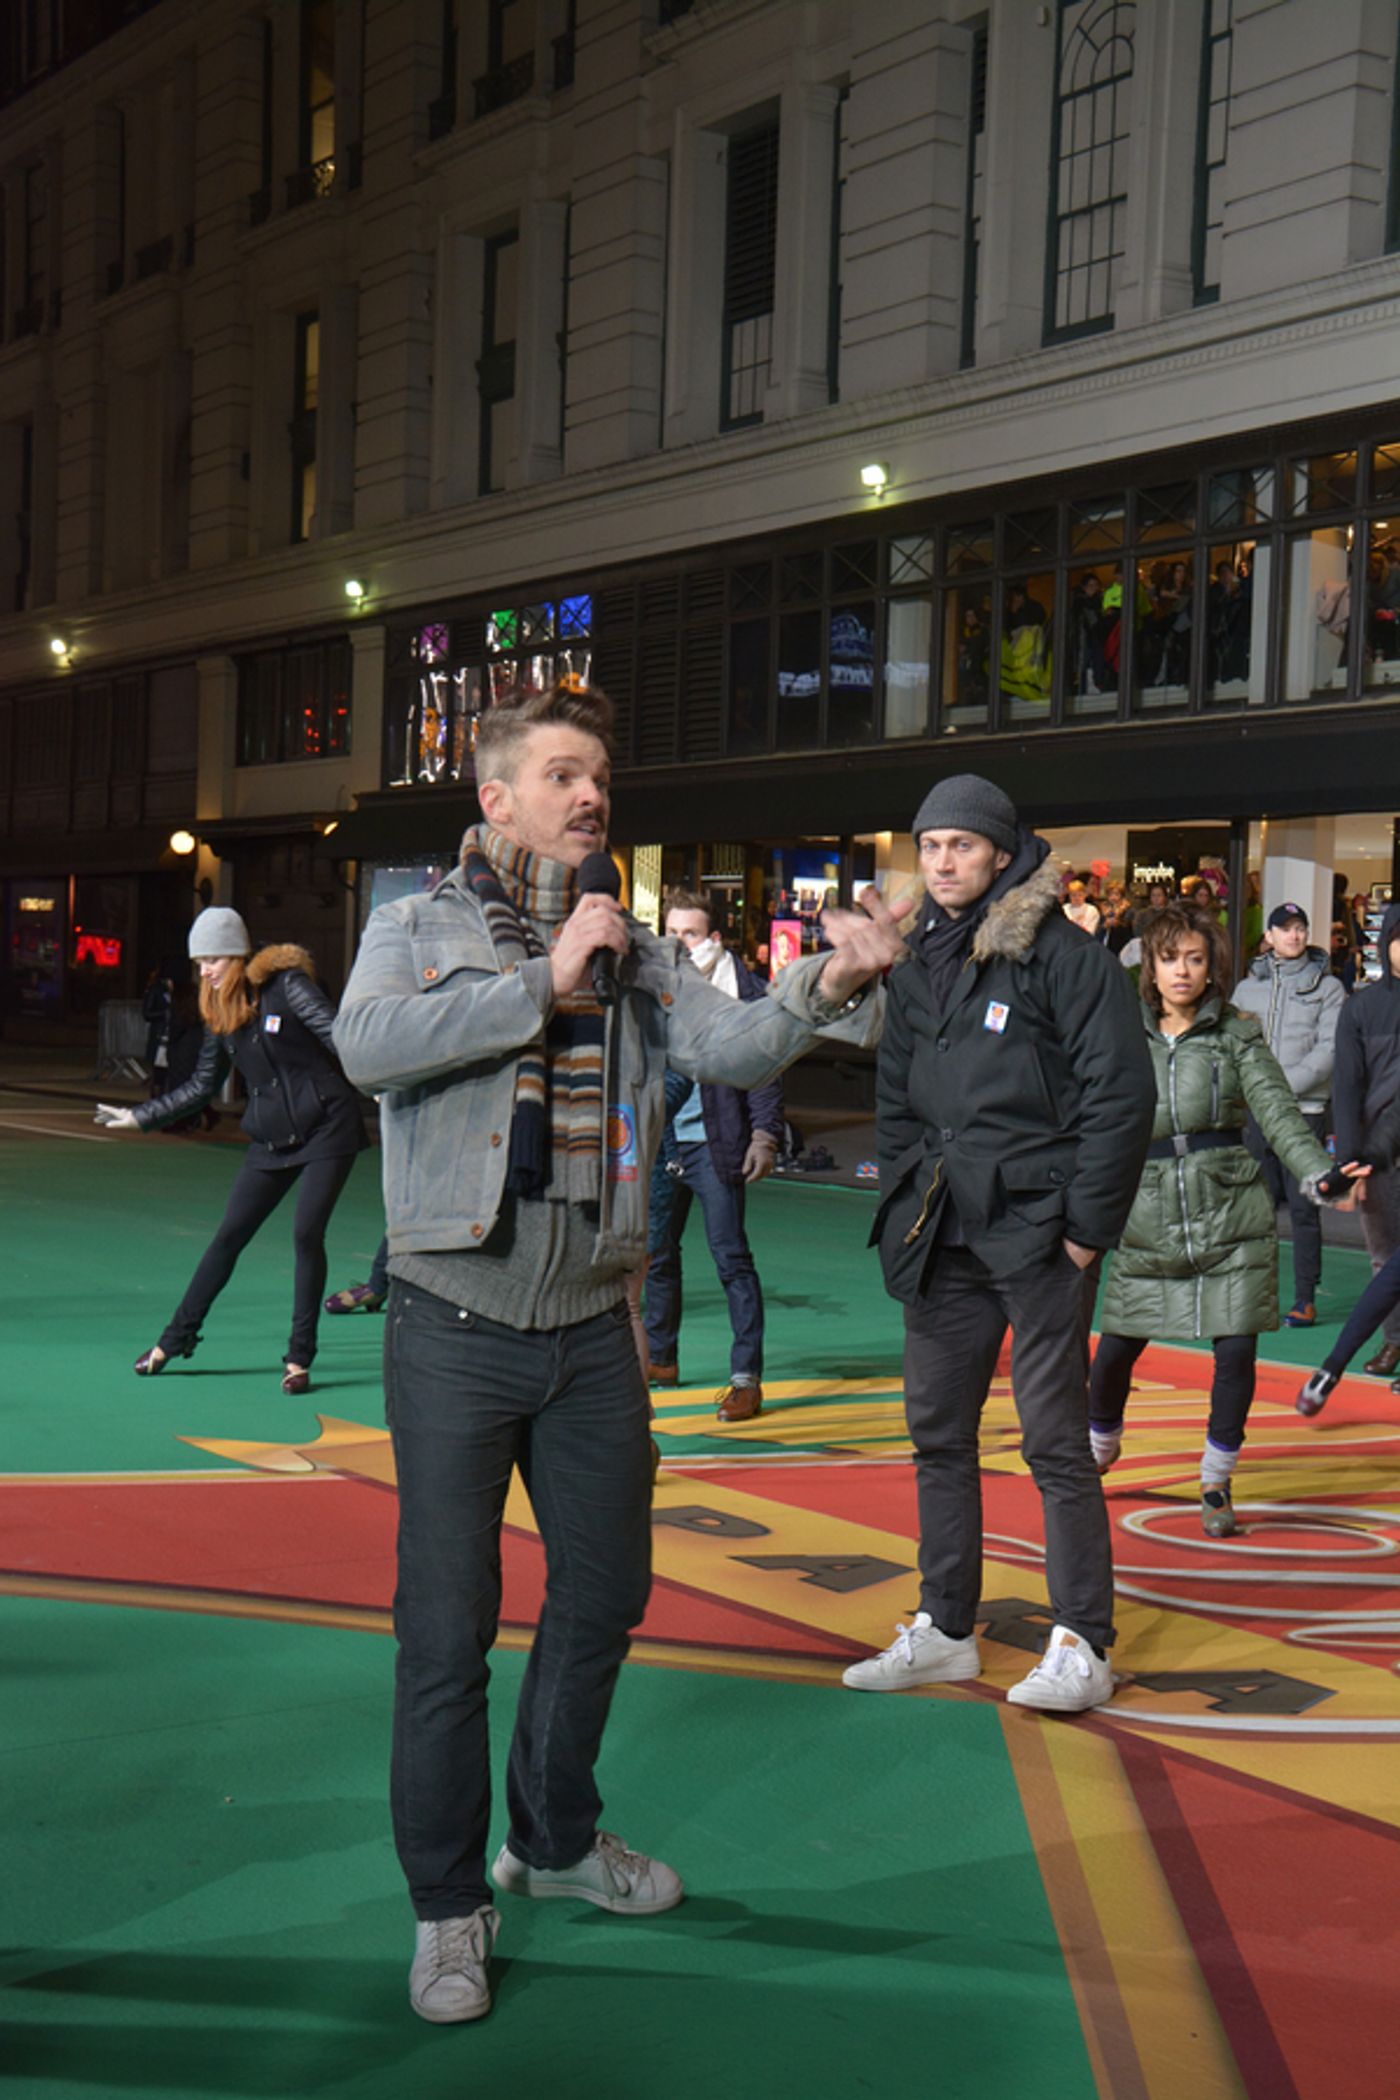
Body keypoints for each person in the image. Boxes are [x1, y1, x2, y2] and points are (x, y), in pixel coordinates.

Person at [330, 679, 901, 2025]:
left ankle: (555, 1838)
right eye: (566, 773)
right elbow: (368, 1050)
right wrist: (540, 983)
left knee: (605, 1595)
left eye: (601, 775)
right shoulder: (412, 924)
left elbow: (734, 1040)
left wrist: (834, 979)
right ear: (498, 796)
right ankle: (445, 1906)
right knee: (445, 1633)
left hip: (592, 1321)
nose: (592, 795)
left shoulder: (636, 949)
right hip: (453, 1320)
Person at [843, 773, 1155, 1713]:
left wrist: (1086, 1234)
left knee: (1055, 1443)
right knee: (937, 1435)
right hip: (942, 1234)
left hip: (1038, 1234)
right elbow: (896, 1100)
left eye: (961, 846)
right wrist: (905, 1203)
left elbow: (1121, 1097)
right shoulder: (919, 959)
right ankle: (945, 1629)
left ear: (1004, 852)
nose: (942, 862)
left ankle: (1084, 1643)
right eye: (929, 846)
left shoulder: (1063, 956)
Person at [1088, 905, 1337, 1537]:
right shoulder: (1122, 1032)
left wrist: (1316, 1171)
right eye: (1170, 958)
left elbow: (1278, 1111)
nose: (1182, 971)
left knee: (1236, 1351)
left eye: (1196, 959)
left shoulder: (1237, 1033)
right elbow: (1087, 1114)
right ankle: (1098, 1442)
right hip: (1145, 1210)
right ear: (1149, 963)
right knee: (1114, 1350)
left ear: (1212, 967)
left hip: (1231, 1208)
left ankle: (1215, 1480)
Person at [95, 910, 368, 1394]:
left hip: (328, 1126)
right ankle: (174, 1340)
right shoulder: (219, 1010)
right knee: (228, 1237)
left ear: (240, 955)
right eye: (199, 961)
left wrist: (388, 1085)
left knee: (307, 1233)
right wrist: (143, 1116)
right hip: (270, 1137)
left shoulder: (288, 987)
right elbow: (203, 1084)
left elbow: (343, 1038)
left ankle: (298, 1358)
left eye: (214, 958)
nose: (205, 971)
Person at [642, 889, 782, 1422]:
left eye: (690, 934)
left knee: (731, 1259)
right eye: (671, 933)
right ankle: (660, 1357)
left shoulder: (745, 994)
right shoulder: (654, 988)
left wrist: (764, 1135)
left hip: (716, 1144)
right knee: (657, 1254)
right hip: (659, 1141)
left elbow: (766, 1066)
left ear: (715, 939)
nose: (678, 943)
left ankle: (745, 1379)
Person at [1231, 902, 1346, 1326]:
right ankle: (1254, 1294)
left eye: (1300, 928)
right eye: (1286, 929)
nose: (1294, 936)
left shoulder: (1328, 987)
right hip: (1257, 1114)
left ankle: (1304, 1297)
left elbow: (1330, 1051)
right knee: (1255, 1207)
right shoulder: (1246, 990)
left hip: (1304, 1111)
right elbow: (1232, 1045)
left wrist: (1276, 1088)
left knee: (1303, 1209)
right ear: (1270, 936)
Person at [1330, 899, 1400, 1376]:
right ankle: (1394, 1342)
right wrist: (1350, 1160)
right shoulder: (1362, 1008)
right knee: (1384, 1256)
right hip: (1380, 1155)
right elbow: (1347, 1086)